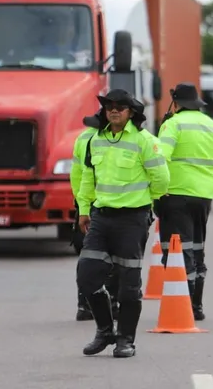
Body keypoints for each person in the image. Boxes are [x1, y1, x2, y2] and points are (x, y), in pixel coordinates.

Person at [76, 89, 169, 358]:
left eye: (120, 107)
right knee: (87, 276)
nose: (114, 110)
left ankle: (125, 340)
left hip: (132, 219)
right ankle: (105, 331)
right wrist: (84, 210)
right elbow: (87, 178)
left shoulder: (144, 140)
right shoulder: (96, 140)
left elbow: (161, 178)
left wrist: (145, 204)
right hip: (101, 217)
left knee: (128, 284)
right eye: (109, 106)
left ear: (131, 112)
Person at [155, 83, 213, 321]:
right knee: (197, 248)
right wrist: (210, 188)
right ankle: (196, 305)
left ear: (175, 104)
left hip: (174, 195)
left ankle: (184, 304)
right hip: (203, 196)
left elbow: (160, 159)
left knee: (176, 251)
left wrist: (158, 191)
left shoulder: (172, 124)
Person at [70, 109, 120, 321]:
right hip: (112, 205)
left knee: (88, 257)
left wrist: (81, 204)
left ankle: (85, 305)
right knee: (115, 257)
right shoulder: (114, 140)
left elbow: (76, 175)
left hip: (86, 202)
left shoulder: (82, 137)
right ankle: (112, 303)